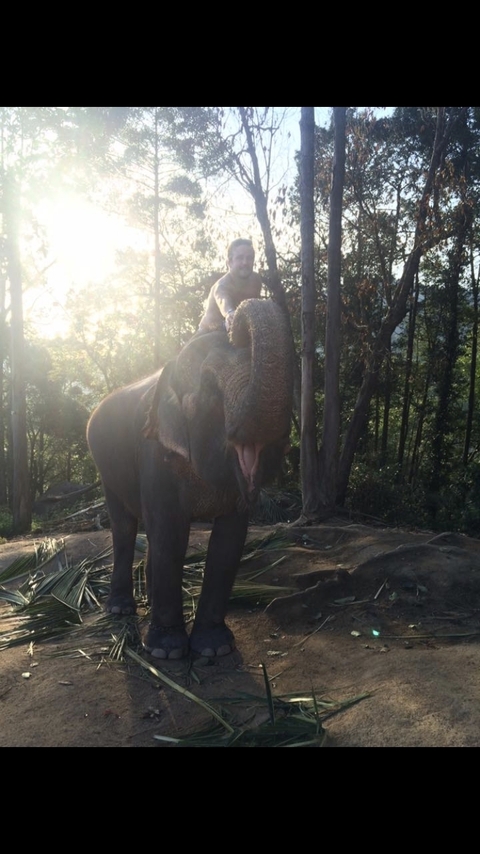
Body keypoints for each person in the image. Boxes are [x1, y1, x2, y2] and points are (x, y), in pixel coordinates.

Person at [198, 238, 263, 334]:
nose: (245, 262)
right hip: (210, 332)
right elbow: (222, 299)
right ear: (230, 262)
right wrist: (229, 313)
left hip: (241, 330)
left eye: (249, 258)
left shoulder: (256, 280)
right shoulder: (222, 285)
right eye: (240, 258)